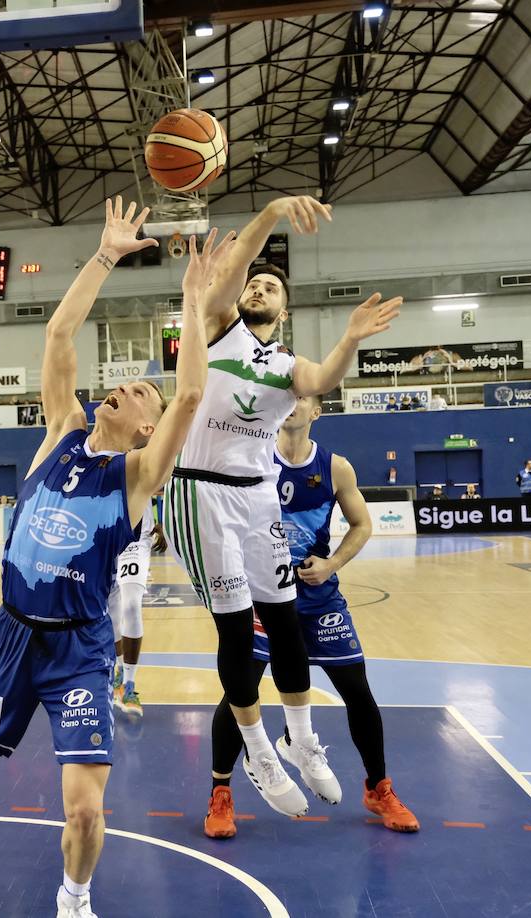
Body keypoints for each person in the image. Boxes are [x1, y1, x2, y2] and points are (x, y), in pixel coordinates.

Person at [0, 202, 219, 918]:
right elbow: (60, 333)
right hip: (10, 638)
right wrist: (104, 255)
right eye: (126, 382)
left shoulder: (135, 477)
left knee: (85, 811)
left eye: (140, 392)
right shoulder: (61, 432)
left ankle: (74, 899)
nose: (126, 385)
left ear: (146, 428)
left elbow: (189, 393)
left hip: (79, 651)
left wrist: (190, 299)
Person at [162, 195, 401, 819]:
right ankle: (259, 752)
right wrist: (269, 214)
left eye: (272, 287)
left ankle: (300, 739)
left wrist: (350, 338)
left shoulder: (288, 365)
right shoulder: (219, 326)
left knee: (284, 620)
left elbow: (321, 382)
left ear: (286, 310)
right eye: (255, 283)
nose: (259, 288)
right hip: (201, 488)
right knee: (237, 631)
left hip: (256, 493)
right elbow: (232, 270)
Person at [204, 394, 419, 839]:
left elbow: (362, 524)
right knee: (240, 690)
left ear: (317, 411)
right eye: (286, 396)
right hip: (263, 596)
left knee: (357, 689)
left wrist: (332, 563)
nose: (292, 403)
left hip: (317, 598)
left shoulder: (335, 467)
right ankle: (220, 793)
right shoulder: (251, 458)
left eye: (301, 397)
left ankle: (378, 788)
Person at [107, 499, 153, 719]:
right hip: (104, 533)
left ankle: (129, 684)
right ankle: (118, 672)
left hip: (136, 537)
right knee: (112, 609)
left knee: (131, 605)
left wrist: (166, 522)